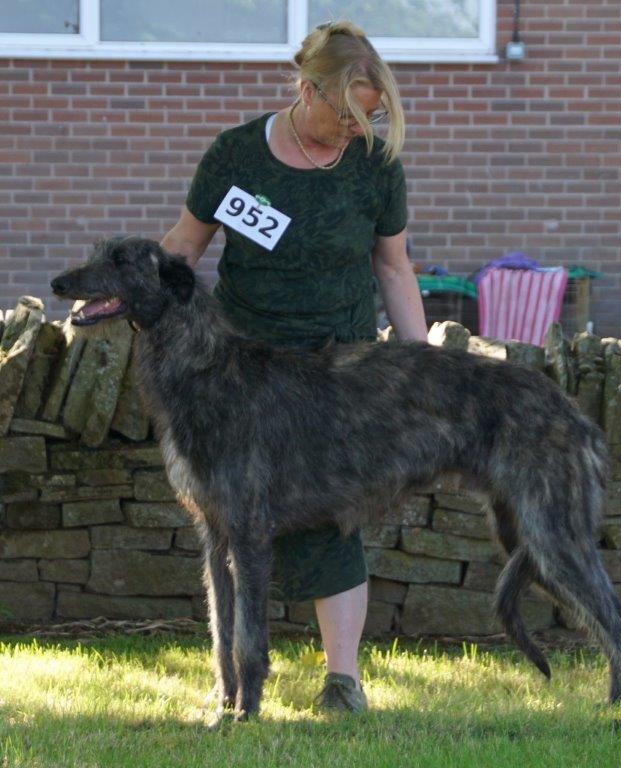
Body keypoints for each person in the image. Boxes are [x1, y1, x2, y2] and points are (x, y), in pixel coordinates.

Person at [161, 20, 428, 713]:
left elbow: (393, 266)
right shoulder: (235, 156)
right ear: (304, 88)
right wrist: (134, 301)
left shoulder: (374, 164)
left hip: (339, 373)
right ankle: (239, 680)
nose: (351, 129)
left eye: (364, 117)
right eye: (341, 114)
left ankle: (342, 681)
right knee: (229, 521)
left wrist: (420, 361)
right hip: (240, 374)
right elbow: (183, 249)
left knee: (331, 514)